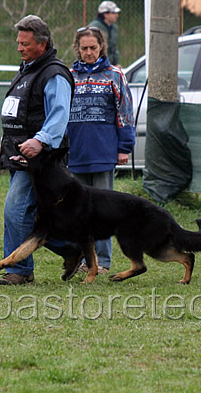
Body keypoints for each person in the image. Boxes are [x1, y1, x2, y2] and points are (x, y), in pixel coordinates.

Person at [0, 14, 80, 285]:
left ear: (42, 45)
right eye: (18, 42)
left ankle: (20, 271)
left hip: (42, 158)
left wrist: (40, 140)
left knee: (16, 211)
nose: (19, 48)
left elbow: (59, 115)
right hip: (20, 155)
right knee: (23, 214)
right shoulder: (28, 68)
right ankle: (70, 248)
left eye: (25, 44)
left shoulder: (54, 74)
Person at [66, 26, 136, 274]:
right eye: (84, 48)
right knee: (77, 212)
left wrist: (124, 147)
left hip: (103, 153)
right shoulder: (68, 75)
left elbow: (125, 112)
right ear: (77, 48)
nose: (88, 53)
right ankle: (84, 260)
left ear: (101, 47)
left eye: (93, 48)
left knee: (103, 211)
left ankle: (103, 263)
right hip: (76, 154)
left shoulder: (114, 75)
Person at [89, 0, 121, 68]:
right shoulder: (94, 28)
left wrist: (115, 64)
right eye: (113, 13)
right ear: (105, 14)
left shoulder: (114, 28)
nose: (116, 15)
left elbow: (113, 48)